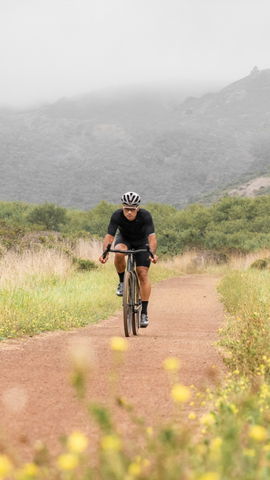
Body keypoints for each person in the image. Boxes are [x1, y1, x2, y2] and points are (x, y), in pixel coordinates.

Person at [99, 192, 158, 328]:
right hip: (124, 240)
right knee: (119, 252)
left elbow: (152, 238)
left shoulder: (145, 215)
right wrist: (104, 253)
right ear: (122, 207)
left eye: (132, 209)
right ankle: (121, 282)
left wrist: (152, 254)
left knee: (142, 273)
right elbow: (109, 237)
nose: (129, 212)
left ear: (138, 208)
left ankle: (144, 312)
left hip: (142, 242)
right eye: (126, 209)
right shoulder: (117, 215)